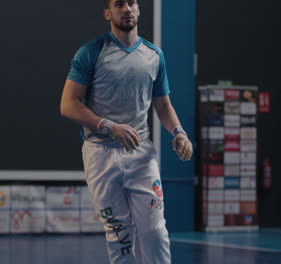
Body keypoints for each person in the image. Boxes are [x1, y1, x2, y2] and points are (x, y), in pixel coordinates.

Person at [60, 0, 193, 263]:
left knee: (155, 232)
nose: (127, 8)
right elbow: (68, 104)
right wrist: (109, 126)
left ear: (139, 9)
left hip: (141, 154)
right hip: (100, 154)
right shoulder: (91, 52)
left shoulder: (154, 55)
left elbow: (163, 105)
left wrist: (179, 132)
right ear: (108, 13)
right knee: (120, 234)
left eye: (132, 2)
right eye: (119, 4)